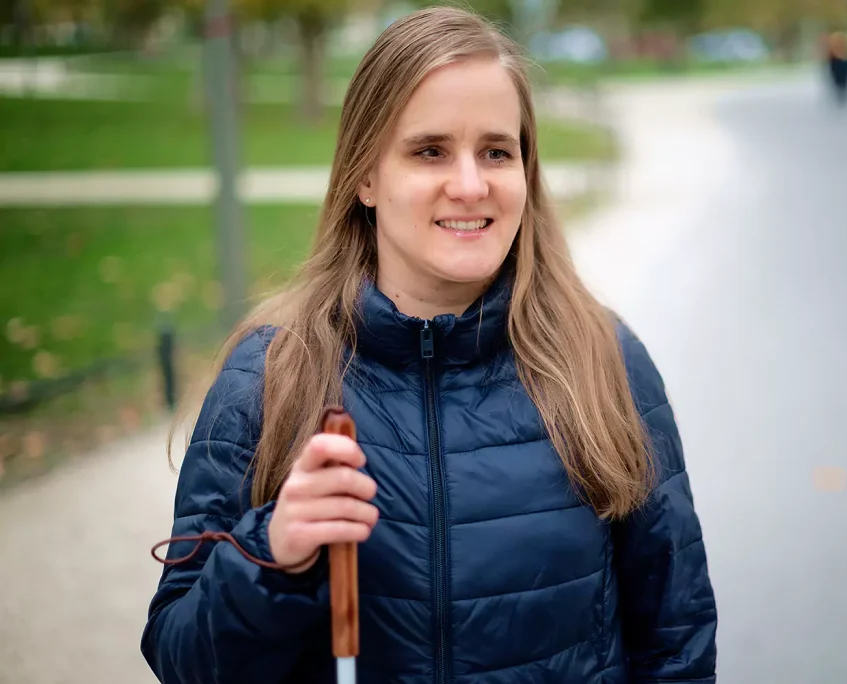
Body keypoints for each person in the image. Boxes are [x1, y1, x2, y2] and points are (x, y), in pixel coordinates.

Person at [141, 6, 718, 683]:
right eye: (429, 151)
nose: (470, 185)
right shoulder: (271, 376)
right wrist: (271, 552)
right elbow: (182, 659)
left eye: (496, 151)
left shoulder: (604, 363)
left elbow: (676, 643)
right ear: (365, 176)